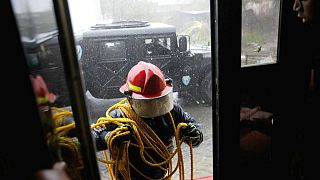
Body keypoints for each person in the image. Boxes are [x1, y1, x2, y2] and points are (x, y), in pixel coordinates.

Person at [91, 61, 204, 179]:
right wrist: (108, 137)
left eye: (158, 101)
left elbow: (194, 129)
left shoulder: (172, 111)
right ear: (130, 98)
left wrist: (194, 134)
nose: (154, 107)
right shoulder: (120, 117)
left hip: (160, 175)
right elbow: (91, 139)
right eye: (147, 103)